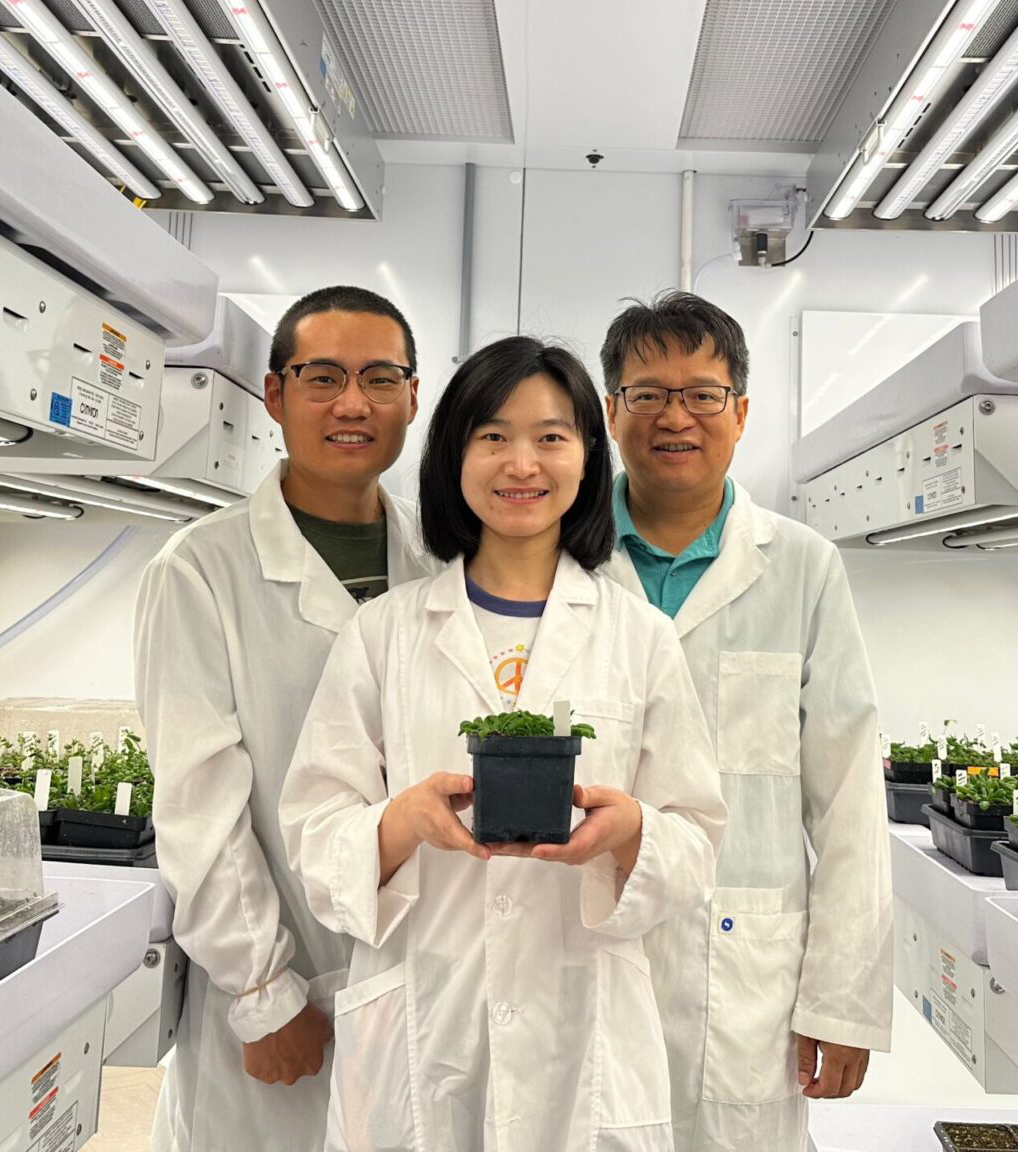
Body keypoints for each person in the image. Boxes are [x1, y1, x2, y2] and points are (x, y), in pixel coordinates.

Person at [279, 336, 727, 1152]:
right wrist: (403, 820)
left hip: (585, 1031)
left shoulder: (642, 639)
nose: (522, 462)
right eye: (493, 436)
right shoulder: (385, 635)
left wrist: (632, 832)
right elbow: (313, 827)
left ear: (589, 457)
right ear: (454, 455)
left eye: (552, 437)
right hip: (425, 1019)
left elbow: (697, 840)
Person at [133, 286, 436, 1152]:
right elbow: (199, 803)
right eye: (322, 377)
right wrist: (263, 993)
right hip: (278, 987)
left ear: (413, 397)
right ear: (274, 395)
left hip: (416, 984)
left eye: (381, 378)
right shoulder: (200, 570)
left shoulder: (440, 564)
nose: (353, 403)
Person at [599, 293, 892, 1152]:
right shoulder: (562, 559)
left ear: (741, 413)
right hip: (585, 946)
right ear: (613, 412)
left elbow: (846, 798)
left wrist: (844, 1002)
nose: (675, 416)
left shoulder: (802, 567)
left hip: (744, 972)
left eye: (703, 394)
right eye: (647, 394)